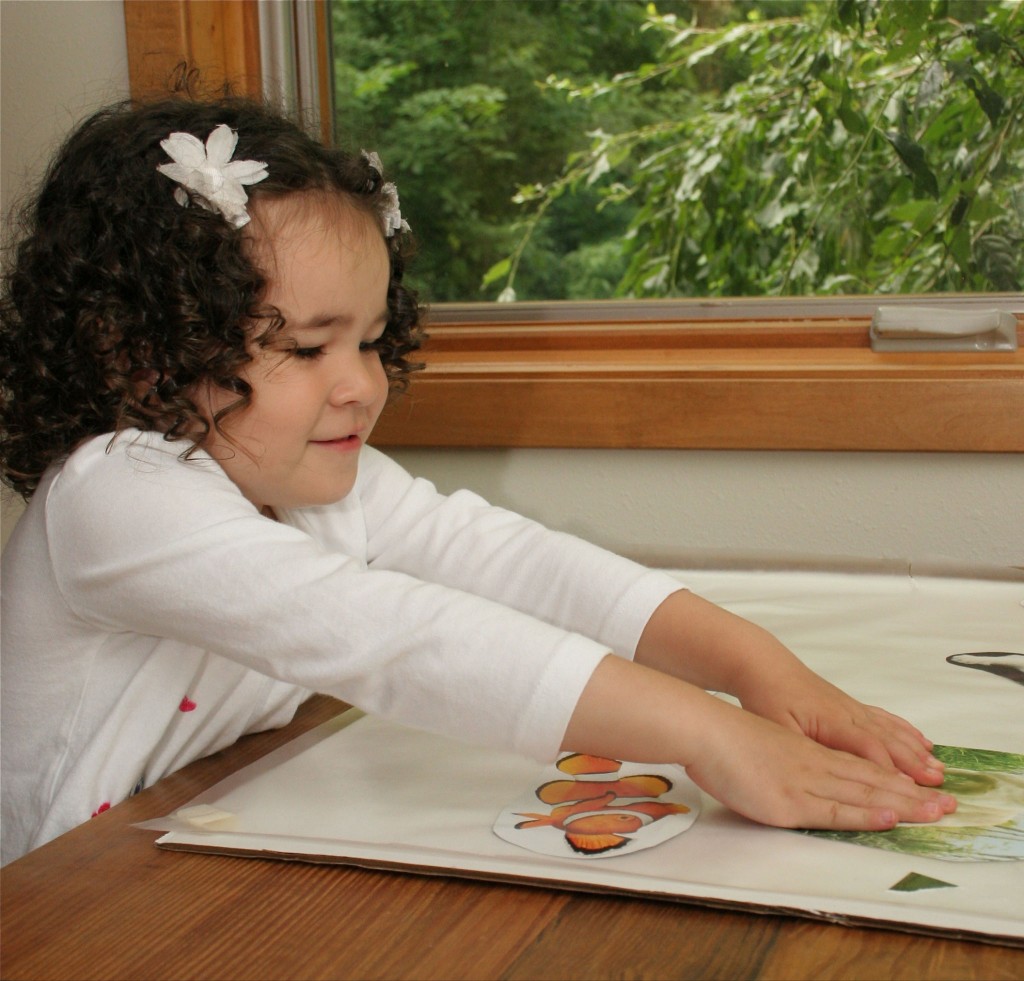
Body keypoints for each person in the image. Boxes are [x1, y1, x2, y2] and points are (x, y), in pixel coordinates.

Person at [0, 96, 955, 866]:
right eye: (307, 347)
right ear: (140, 352)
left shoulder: (314, 484)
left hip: (193, 844)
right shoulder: (114, 493)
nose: (362, 384)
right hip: (62, 906)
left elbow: (510, 561)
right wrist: (709, 734)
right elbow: (397, 635)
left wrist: (756, 666)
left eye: (371, 341)